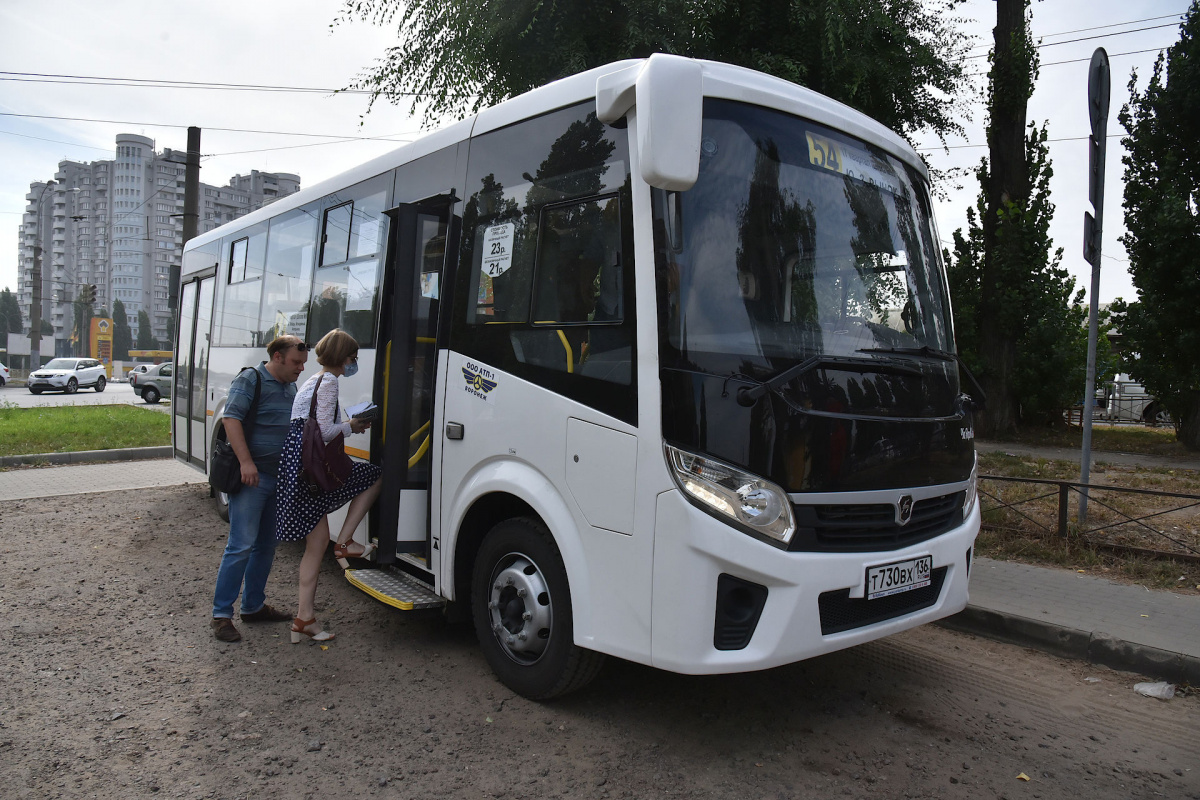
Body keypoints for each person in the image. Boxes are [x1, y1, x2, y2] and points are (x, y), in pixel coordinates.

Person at [276, 328, 383, 643]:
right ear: (343, 356)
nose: (354, 363)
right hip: (312, 470)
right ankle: (346, 542)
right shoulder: (331, 381)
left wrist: (347, 426)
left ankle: (303, 619)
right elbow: (323, 432)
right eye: (353, 357)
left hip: (298, 468)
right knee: (374, 476)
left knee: (315, 544)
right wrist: (352, 426)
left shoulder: (311, 379)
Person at [211, 335, 309, 643]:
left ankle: (253, 607)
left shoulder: (290, 386)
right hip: (254, 479)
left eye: (303, 363)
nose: (300, 369)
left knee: (266, 546)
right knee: (240, 545)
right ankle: (221, 615)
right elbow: (230, 418)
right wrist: (246, 463)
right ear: (278, 357)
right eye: (296, 362)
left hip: (279, 479)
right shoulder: (250, 379)